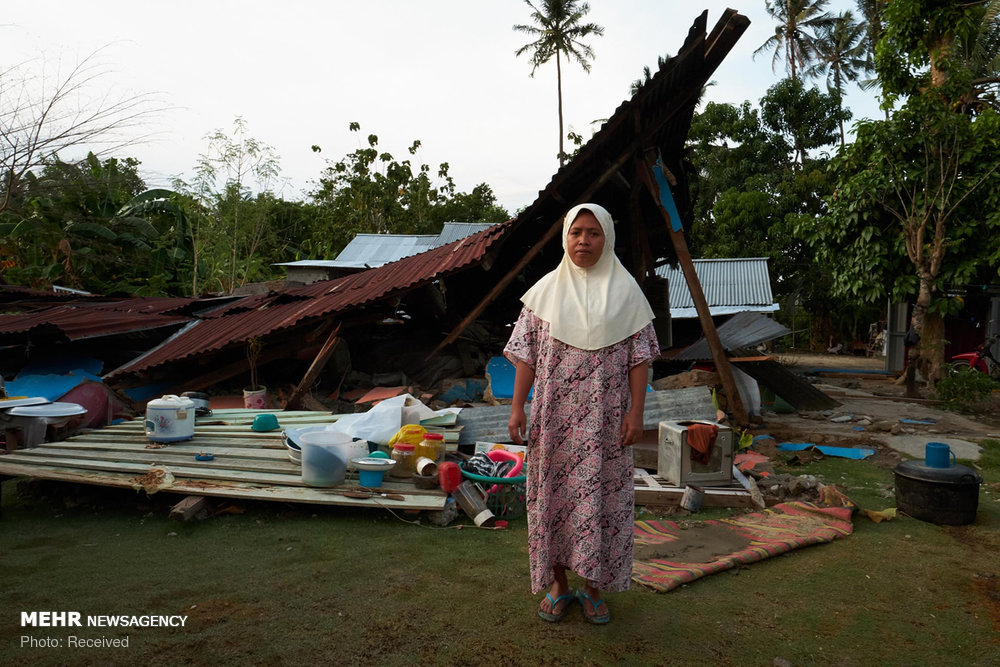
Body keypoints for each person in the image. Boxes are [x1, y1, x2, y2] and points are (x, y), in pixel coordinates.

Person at [504, 202, 659, 624]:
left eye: (593, 233)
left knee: (603, 504)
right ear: (565, 239)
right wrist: (518, 407)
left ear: (606, 238)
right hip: (553, 421)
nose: (584, 241)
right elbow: (525, 356)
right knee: (551, 501)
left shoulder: (627, 294)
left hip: (607, 424)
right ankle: (558, 585)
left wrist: (636, 413)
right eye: (576, 233)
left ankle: (593, 589)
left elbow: (640, 359)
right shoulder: (543, 294)